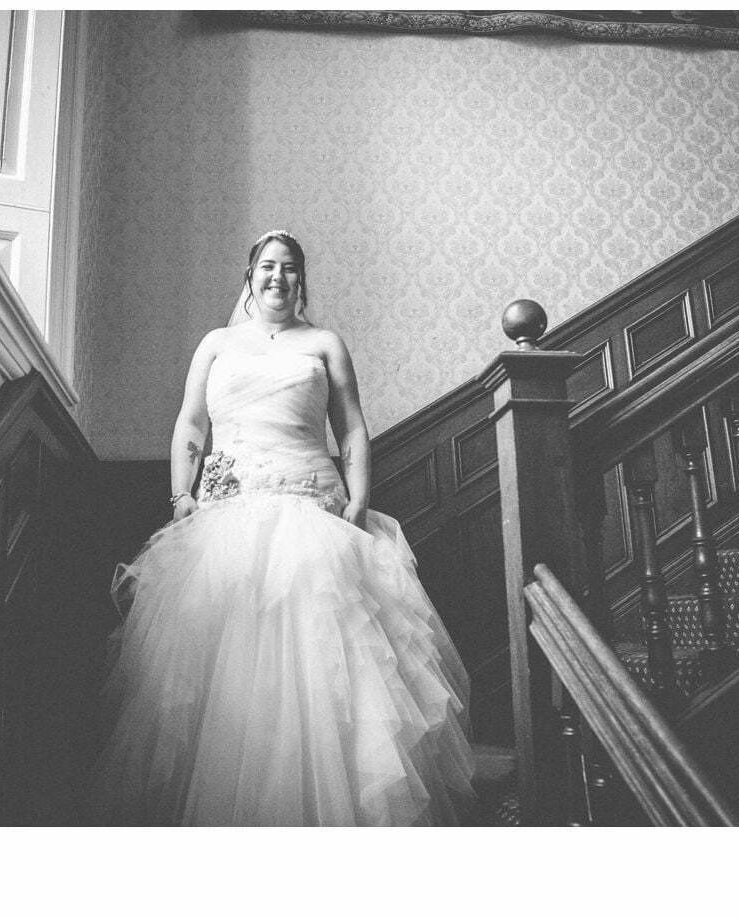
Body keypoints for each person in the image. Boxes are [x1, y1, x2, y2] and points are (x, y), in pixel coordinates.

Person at [90, 230, 474, 825]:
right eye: (267, 266)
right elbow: (190, 424)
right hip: (228, 511)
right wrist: (181, 495)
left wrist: (360, 499)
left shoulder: (324, 342)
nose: (278, 276)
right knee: (225, 665)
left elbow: (351, 428)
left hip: (313, 506)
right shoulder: (216, 344)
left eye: (290, 268)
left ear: (302, 280)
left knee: (327, 663)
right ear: (249, 276)